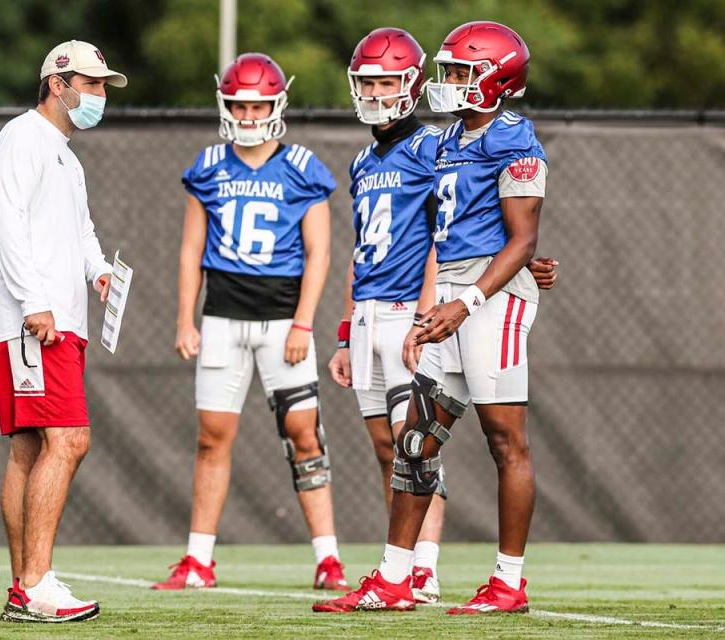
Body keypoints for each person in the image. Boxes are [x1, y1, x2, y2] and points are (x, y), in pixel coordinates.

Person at [316, 21, 551, 614]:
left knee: (506, 441)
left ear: (497, 81)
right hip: (450, 293)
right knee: (416, 441)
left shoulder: (516, 138)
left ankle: (508, 581)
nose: (447, 83)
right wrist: (447, 298)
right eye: (446, 71)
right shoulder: (443, 142)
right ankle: (397, 577)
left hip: (487, 301)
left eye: (460, 73)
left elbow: (521, 239)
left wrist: (470, 298)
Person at [152, 53, 349, 591]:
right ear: (225, 103)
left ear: (277, 103)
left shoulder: (304, 167)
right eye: (239, 103)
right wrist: (184, 320)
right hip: (222, 316)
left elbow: (321, 254)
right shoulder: (210, 163)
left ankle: (328, 559)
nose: (248, 113)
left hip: (283, 318)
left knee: (303, 434)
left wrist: (304, 323)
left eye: (258, 103)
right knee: (212, 437)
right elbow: (191, 249)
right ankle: (198, 560)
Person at [0, 40, 126, 623]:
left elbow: (82, 230)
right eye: (90, 85)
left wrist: (99, 271)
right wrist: (35, 303)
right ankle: (37, 584)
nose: (97, 96)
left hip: (55, 319)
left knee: (31, 447)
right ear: (57, 84)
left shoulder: (66, 154)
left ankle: (25, 587)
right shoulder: (21, 137)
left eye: (101, 86)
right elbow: (6, 221)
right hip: (34, 322)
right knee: (69, 440)